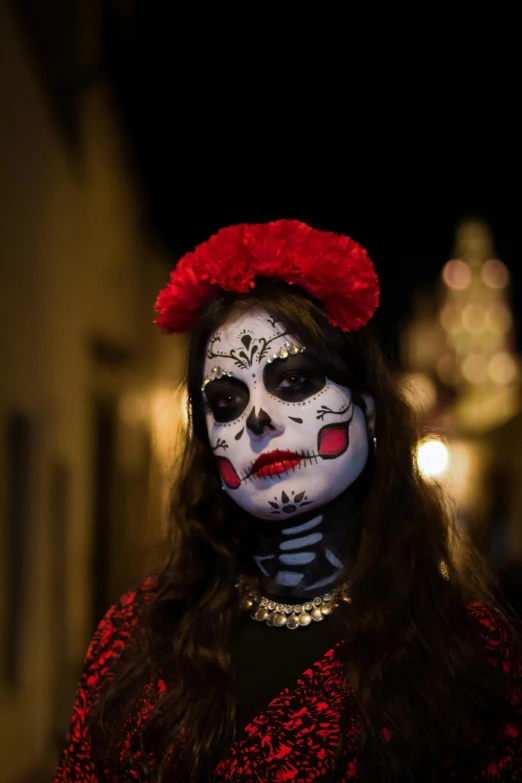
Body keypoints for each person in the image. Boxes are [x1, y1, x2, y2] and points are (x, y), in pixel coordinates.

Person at [53, 220, 522, 782]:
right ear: (208, 442)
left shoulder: (463, 654)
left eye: (295, 382)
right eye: (225, 400)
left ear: (368, 414)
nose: (258, 417)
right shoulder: (131, 639)